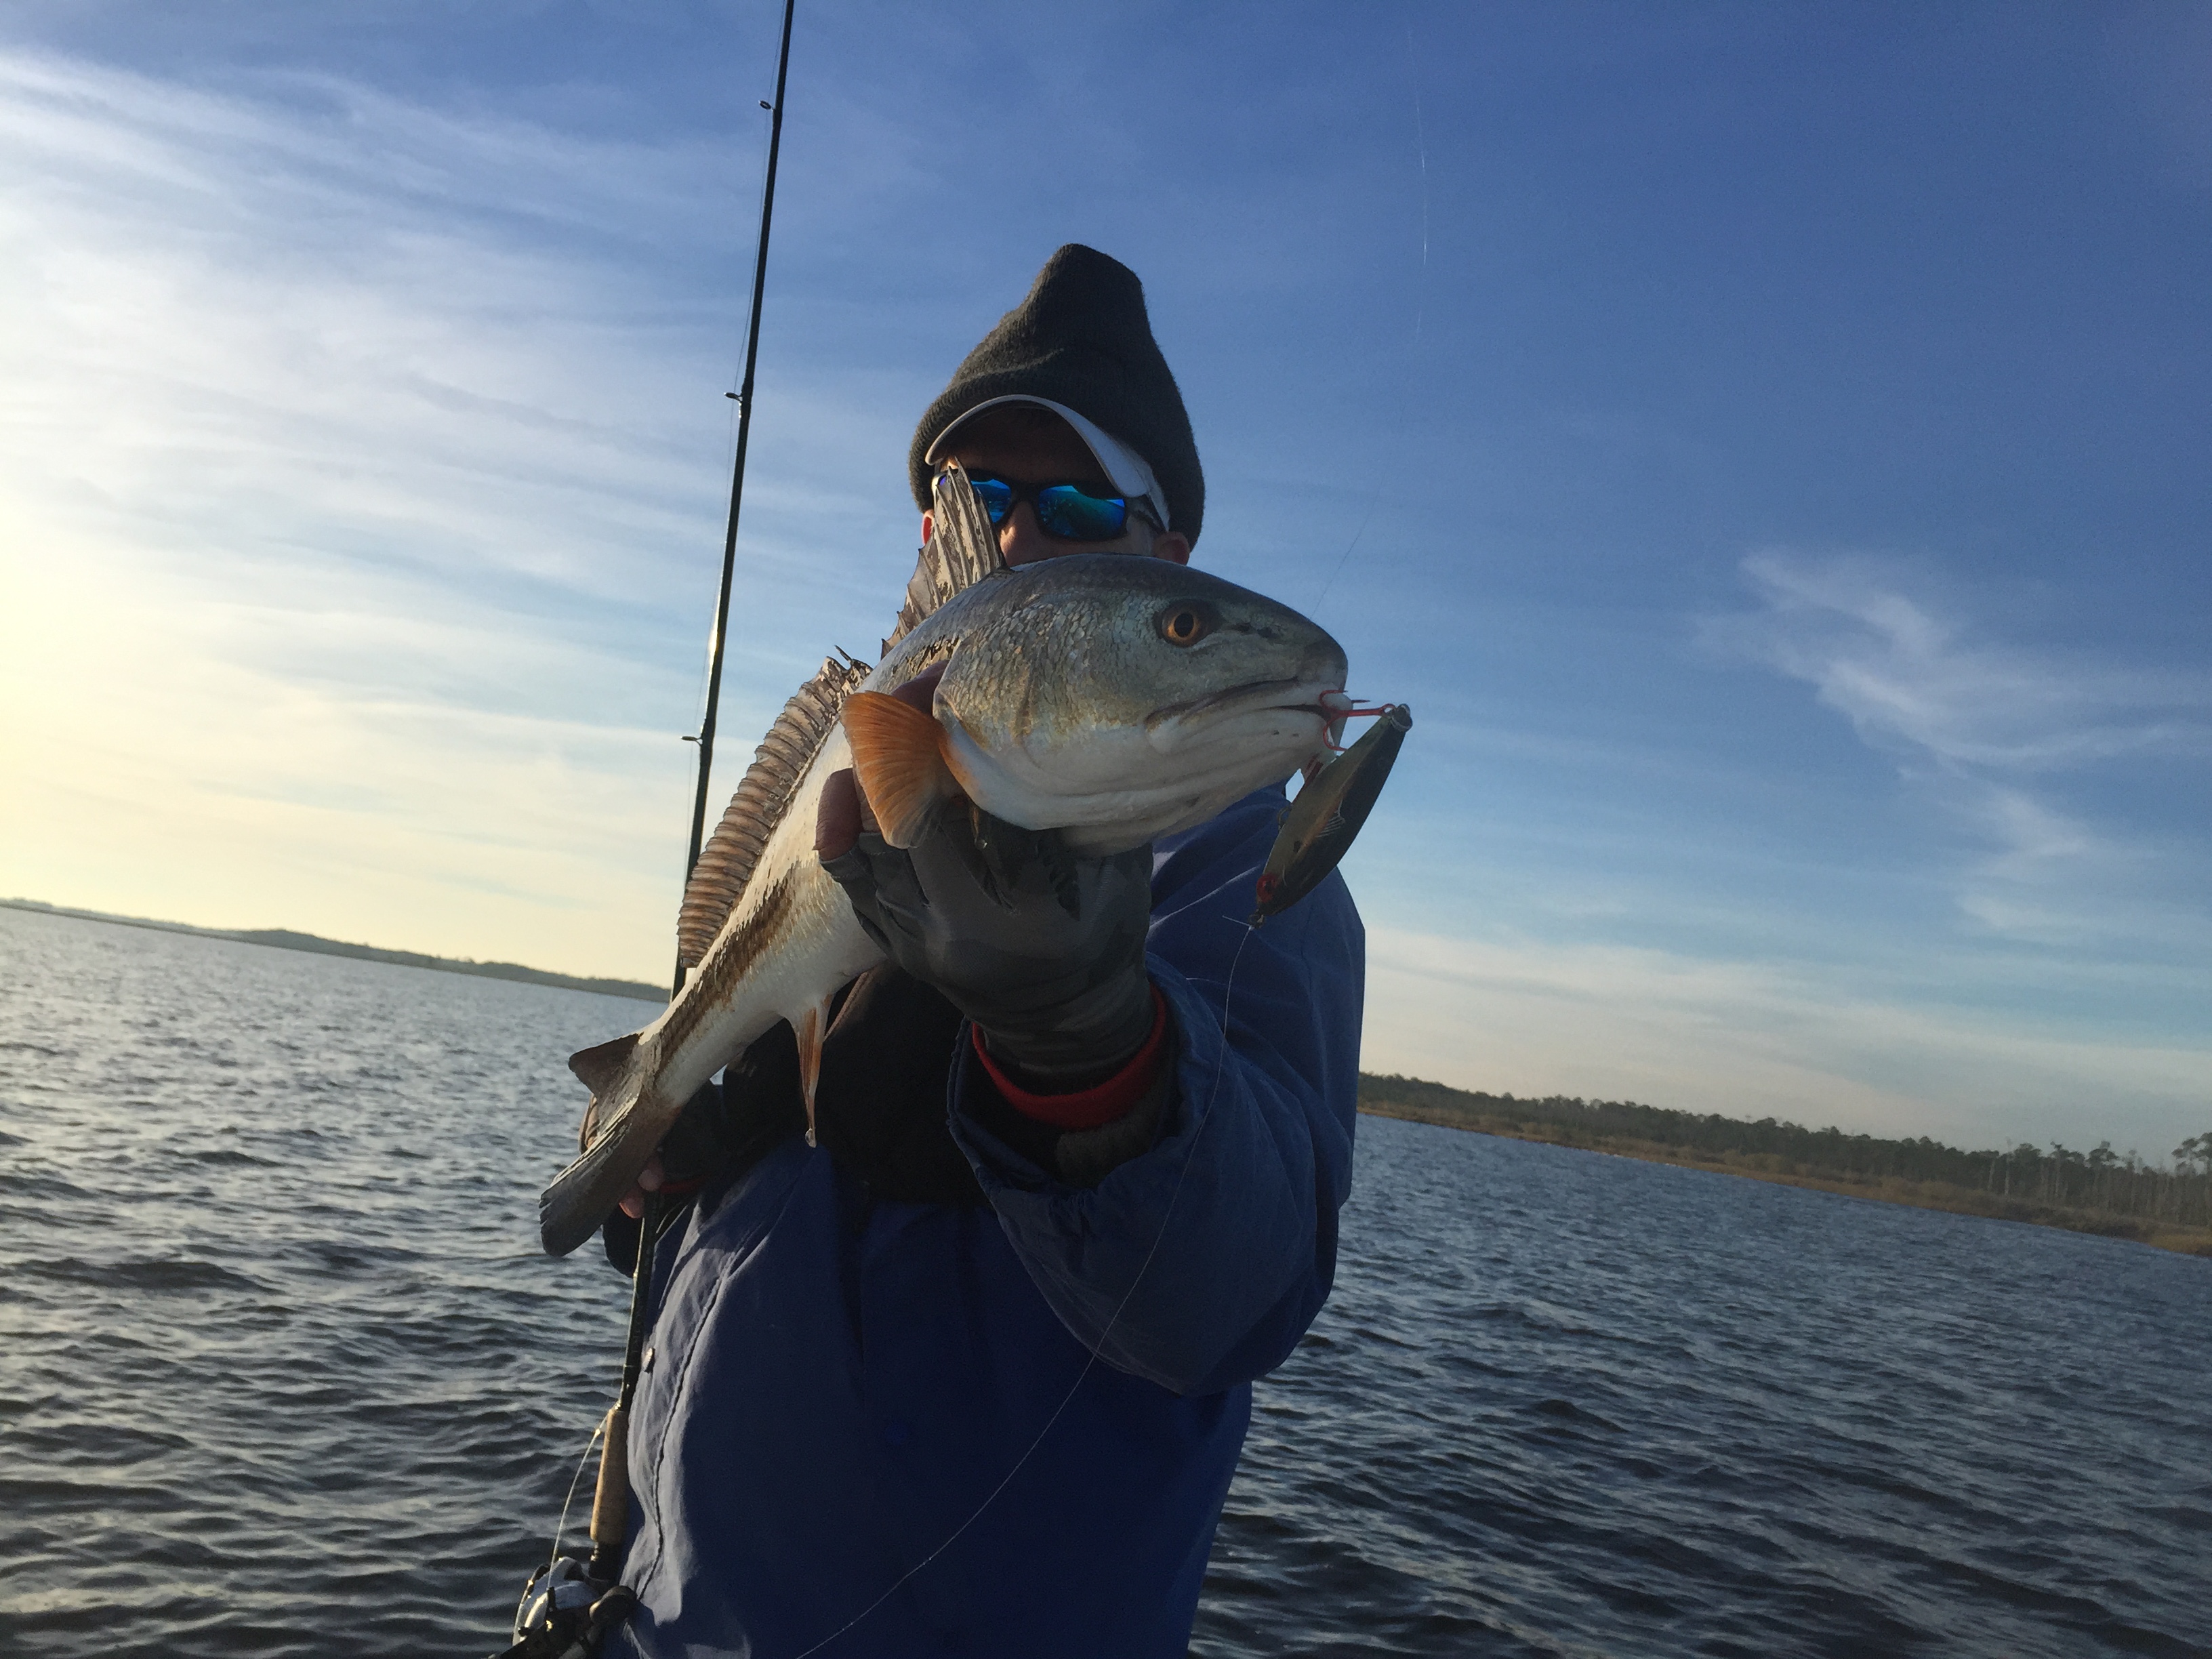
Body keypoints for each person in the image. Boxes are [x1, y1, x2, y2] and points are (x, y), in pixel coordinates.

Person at [598, 245, 1365, 1658]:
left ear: (1163, 555)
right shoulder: (850, 774)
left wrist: (1091, 1043)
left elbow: (1231, 1299)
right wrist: (690, 1154)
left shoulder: (1243, 871)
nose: (1016, 538)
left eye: (1075, 506)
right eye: (973, 500)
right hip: (669, 1612)